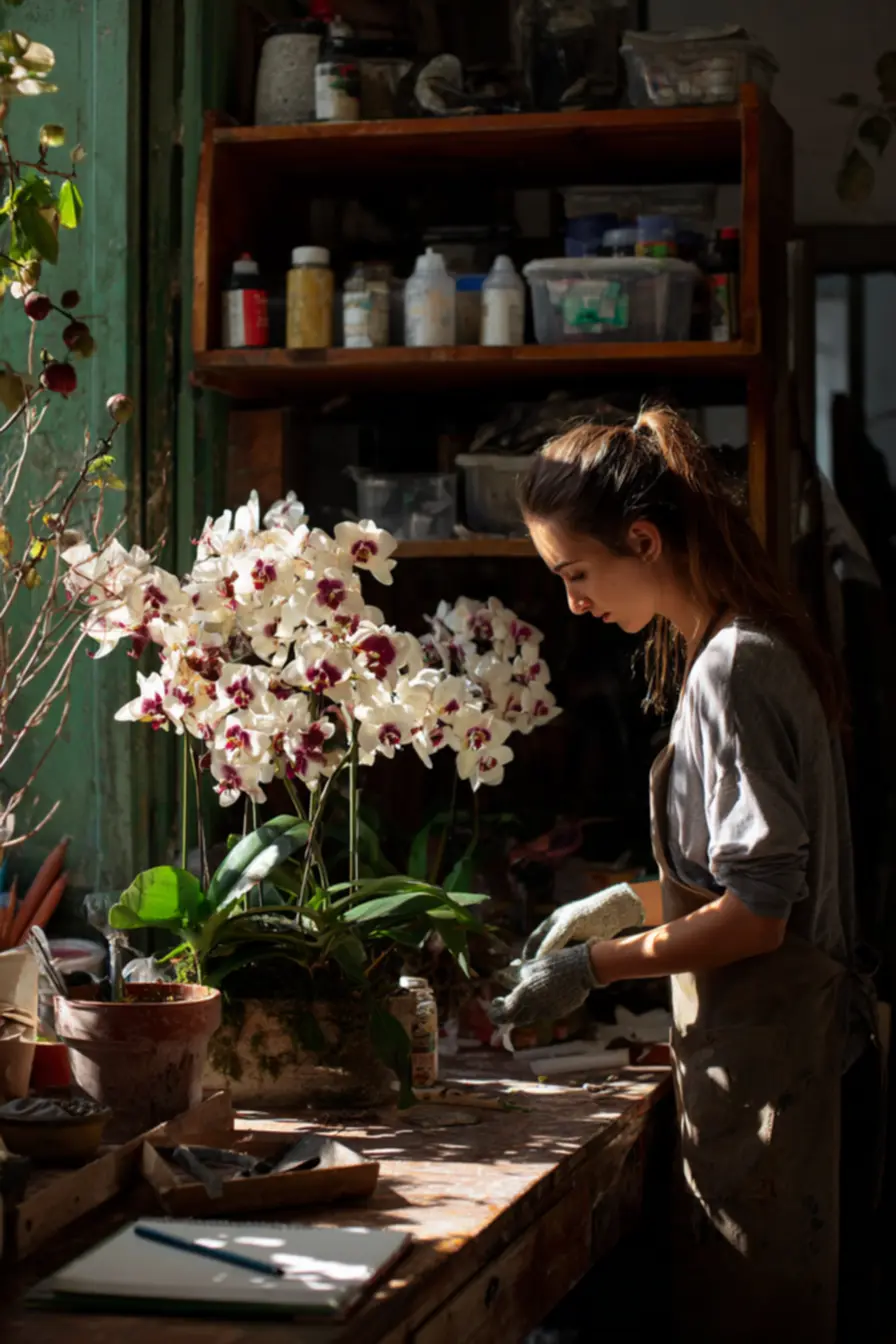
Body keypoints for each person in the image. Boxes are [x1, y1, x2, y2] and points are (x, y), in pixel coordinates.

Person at [488, 407, 878, 1344]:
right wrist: (617, 901)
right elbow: (740, 880)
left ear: (645, 539)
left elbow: (758, 919)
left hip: (781, 1076)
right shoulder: (740, 644)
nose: (574, 603)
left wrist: (598, 967)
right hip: (773, 1062)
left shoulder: (734, 670)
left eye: (575, 575)